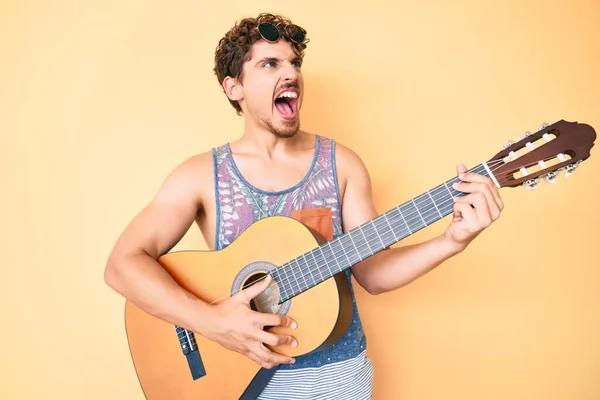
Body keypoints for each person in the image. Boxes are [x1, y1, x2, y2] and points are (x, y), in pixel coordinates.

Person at [104, 12, 504, 399]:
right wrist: (210, 321)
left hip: (341, 379)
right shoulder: (199, 176)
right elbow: (122, 265)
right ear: (234, 88)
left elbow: (372, 272)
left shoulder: (342, 164)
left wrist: (451, 241)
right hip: (243, 380)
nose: (291, 72)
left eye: (294, 62)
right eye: (270, 63)